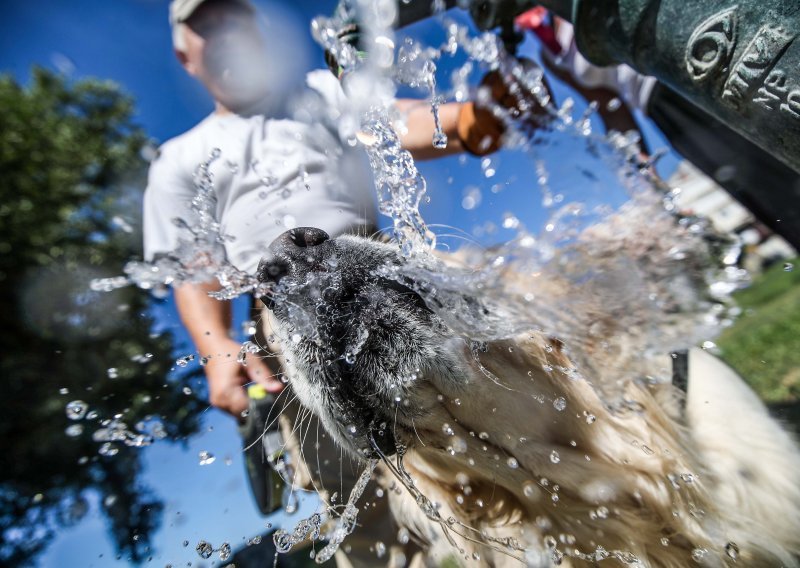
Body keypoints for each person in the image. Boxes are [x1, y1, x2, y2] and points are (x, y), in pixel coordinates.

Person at [143, 0, 544, 565]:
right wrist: (216, 347)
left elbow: (412, 123)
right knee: (362, 515)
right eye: (206, 25)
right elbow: (194, 270)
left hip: (382, 276)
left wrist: (477, 118)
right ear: (185, 54)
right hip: (284, 331)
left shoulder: (318, 92)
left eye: (234, 16)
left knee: (497, 440)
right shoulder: (177, 162)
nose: (224, 32)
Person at [516, 7, 800, 251]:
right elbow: (609, 108)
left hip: (692, 64)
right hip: (664, 111)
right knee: (763, 190)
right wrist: (647, 180)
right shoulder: (551, 52)